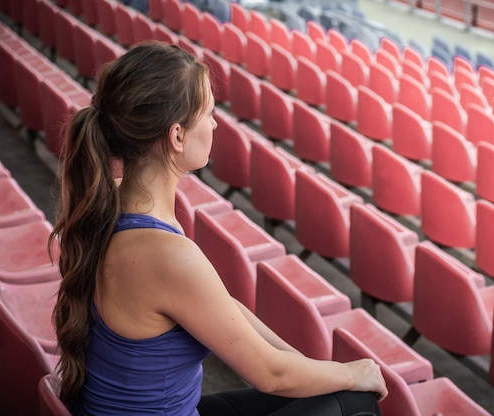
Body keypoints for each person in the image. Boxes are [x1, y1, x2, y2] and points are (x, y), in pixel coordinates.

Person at [49, 40, 387, 416]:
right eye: (209, 112)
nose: (214, 123)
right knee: (356, 402)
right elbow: (270, 375)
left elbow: (227, 309)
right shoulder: (163, 255)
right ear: (177, 136)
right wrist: (353, 374)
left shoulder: (113, 206)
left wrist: (310, 365)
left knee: (313, 386)